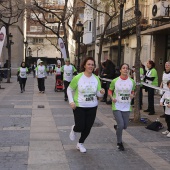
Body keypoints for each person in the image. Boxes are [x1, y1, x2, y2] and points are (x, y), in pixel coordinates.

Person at [67, 56, 105, 153]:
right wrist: (71, 101)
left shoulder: (96, 78)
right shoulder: (78, 77)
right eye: (88, 64)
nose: (90, 66)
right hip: (79, 106)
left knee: (88, 127)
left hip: (92, 106)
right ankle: (74, 128)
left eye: (92, 65)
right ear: (84, 65)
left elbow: (98, 94)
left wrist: (101, 92)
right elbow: (69, 89)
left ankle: (80, 143)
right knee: (80, 126)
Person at [108, 63, 135, 151]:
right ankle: (119, 143)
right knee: (121, 124)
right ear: (120, 70)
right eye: (123, 68)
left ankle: (117, 127)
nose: (125, 69)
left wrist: (132, 95)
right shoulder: (115, 81)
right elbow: (110, 91)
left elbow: (133, 91)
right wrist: (112, 98)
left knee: (125, 126)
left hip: (127, 106)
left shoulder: (132, 81)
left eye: (127, 68)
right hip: (117, 106)